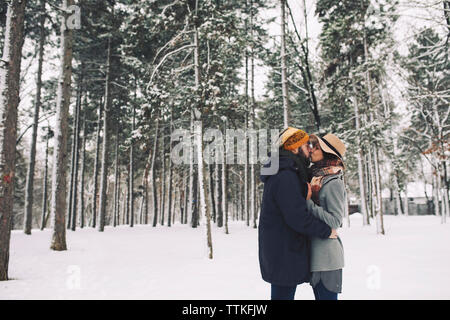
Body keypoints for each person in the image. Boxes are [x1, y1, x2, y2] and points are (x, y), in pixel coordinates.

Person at [258, 127, 338, 300]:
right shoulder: (285, 175)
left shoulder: (289, 171)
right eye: (306, 145)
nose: (310, 149)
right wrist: (326, 231)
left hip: (283, 249)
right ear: (294, 148)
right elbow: (297, 216)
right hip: (283, 251)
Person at [305, 133, 347, 300]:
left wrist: (308, 202)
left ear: (327, 152)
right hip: (315, 256)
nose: (312, 149)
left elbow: (335, 221)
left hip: (327, 259)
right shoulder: (316, 177)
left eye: (317, 147)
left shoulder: (333, 182)